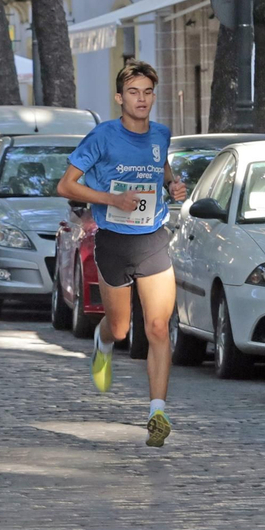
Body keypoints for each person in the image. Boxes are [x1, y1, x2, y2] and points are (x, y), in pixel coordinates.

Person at [56, 61, 187, 448]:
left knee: (159, 327)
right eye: (134, 92)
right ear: (119, 98)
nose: (141, 99)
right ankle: (103, 343)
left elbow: (161, 168)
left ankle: (157, 412)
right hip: (113, 241)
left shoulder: (161, 134)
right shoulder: (102, 137)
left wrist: (173, 184)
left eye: (147, 92)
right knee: (120, 327)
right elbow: (66, 185)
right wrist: (111, 199)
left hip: (152, 239)